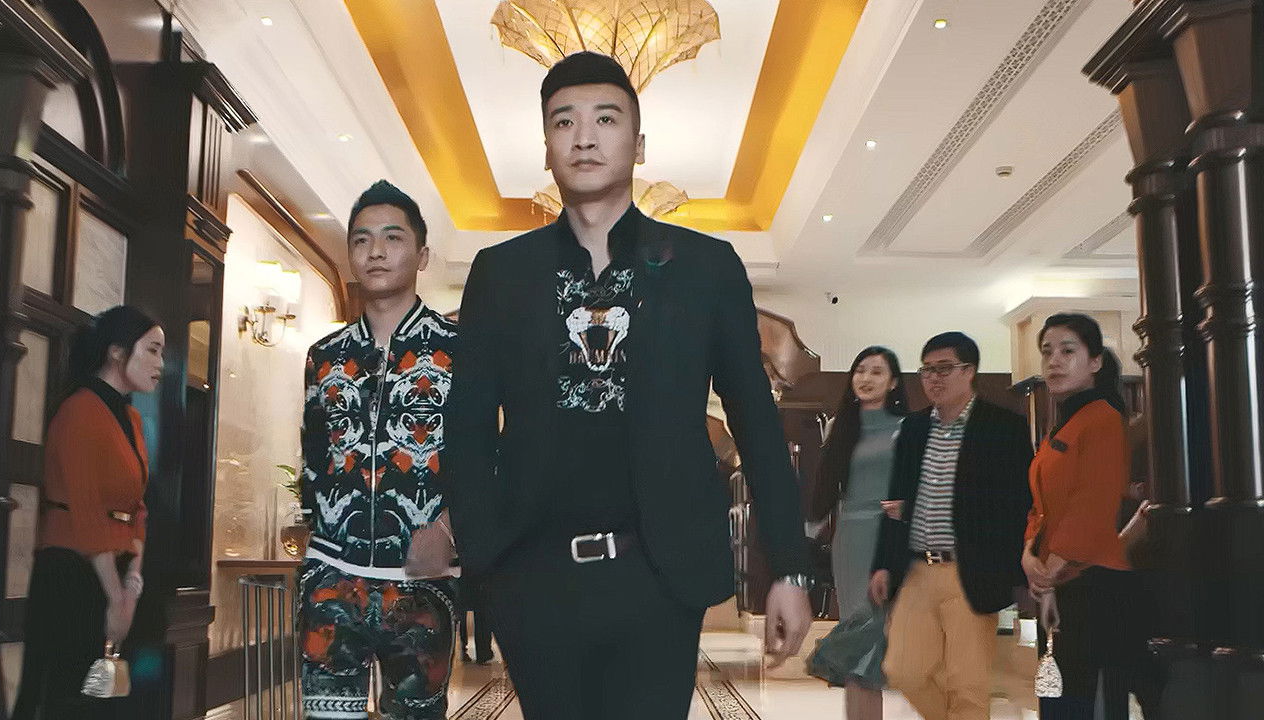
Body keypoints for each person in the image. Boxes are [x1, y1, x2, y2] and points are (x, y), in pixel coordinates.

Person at [445, 51, 812, 720]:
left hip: (659, 573)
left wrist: (789, 566)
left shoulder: (704, 268)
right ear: (547, 148)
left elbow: (756, 422)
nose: (584, 137)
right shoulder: (502, 274)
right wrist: (484, 558)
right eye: (564, 122)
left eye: (606, 119)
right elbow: (466, 429)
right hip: (533, 575)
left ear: (638, 145)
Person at [297, 180, 458, 720]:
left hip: (420, 583)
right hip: (331, 578)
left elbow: (489, 460)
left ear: (422, 255)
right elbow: (313, 456)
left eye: (393, 237)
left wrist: (449, 531)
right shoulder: (324, 356)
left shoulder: (461, 352)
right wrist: (318, 534)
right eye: (362, 240)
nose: (376, 251)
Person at [870, 331, 1032, 720]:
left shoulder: (1002, 426)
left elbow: (1019, 504)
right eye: (926, 370)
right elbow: (895, 499)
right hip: (917, 569)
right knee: (902, 670)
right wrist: (884, 564)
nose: (933, 378)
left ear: (969, 371)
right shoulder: (913, 428)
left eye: (944, 368)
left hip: (971, 570)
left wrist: (1013, 570)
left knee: (967, 685)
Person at [12, 305, 164, 719]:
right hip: (70, 572)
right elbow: (86, 511)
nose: (160, 364)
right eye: (152, 351)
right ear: (117, 352)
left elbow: (137, 508)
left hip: (116, 568)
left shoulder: (131, 418)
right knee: (64, 696)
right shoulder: (79, 409)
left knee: (107, 699)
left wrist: (132, 582)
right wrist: (117, 599)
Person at [1022, 313, 1143, 719]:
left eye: (1067, 351)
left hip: (1093, 583)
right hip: (1057, 580)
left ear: (1095, 362)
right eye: (1047, 352)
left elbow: (1093, 502)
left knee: (1085, 702)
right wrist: (1029, 554)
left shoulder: (1103, 418)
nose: (1054, 360)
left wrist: (1051, 571)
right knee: (1057, 697)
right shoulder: (1062, 426)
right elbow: (1041, 505)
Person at [807, 346, 908, 720]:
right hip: (849, 540)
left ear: (893, 382)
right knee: (856, 636)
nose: (866, 378)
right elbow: (826, 490)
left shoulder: (906, 428)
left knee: (877, 635)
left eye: (877, 372)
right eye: (860, 370)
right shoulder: (839, 427)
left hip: (889, 535)